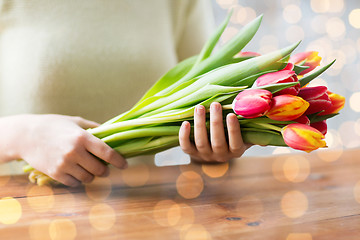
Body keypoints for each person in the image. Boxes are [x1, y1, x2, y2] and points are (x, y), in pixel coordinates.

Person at [0, 0, 249, 187]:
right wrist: (24, 135)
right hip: (23, 212)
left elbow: (208, 98)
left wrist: (212, 150)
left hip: (141, 211)